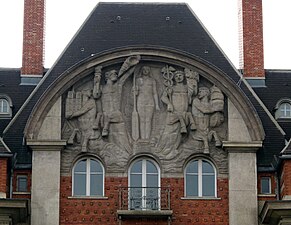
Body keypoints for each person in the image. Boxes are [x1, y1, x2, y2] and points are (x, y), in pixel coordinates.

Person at [134, 66, 160, 139]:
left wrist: (157, 104)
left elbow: (154, 93)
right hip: (141, 100)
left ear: (149, 71)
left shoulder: (152, 80)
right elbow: (135, 93)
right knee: (142, 120)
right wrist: (135, 90)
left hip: (150, 101)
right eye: (144, 69)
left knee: (148, 120)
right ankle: (142, 138)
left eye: (147, 69)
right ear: (141, 70)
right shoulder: (138, 80)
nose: (145, 71)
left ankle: (147, 138)